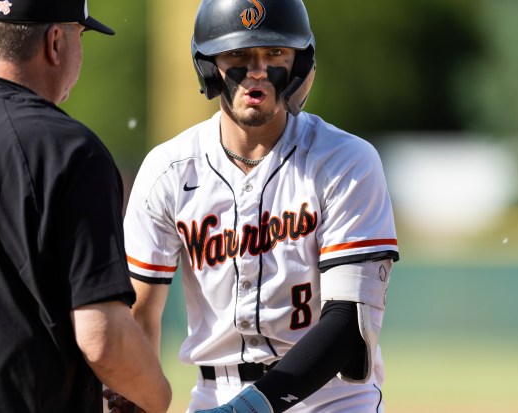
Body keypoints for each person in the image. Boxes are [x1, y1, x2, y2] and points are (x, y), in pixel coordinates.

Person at [122, 0, 399, 412]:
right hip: (214, 393)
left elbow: (347, 328)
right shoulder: (169, 170)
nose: (256, 70)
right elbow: (139, 318)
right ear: (208, 64)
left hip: (330, 399)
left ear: (298, 65)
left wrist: (248, 409)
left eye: (274, 53)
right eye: (238, 54)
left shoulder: (345, 160)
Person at [0, 1, 171, 412]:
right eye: (79, 36)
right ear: (55, 42)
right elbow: (101, 337)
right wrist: (156, 396)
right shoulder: (70, 151)